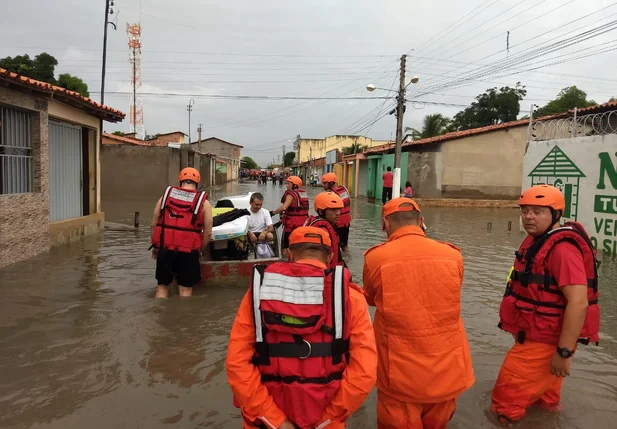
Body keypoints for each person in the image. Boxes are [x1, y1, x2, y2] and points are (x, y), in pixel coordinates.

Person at [226, 226, 377, 429]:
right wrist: (329, 418)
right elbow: (364, 372)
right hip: (325, 422)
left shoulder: (258, 292)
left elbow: (237, 364)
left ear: (290, 254)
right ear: (331, 256)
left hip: (265, 422)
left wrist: (276, 420)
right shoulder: (352, 298)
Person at [491, 184, 600, 423]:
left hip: (545, 343)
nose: (529, 216)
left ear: (556, 215)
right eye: (525, 211)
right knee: (546, 403)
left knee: (504, 405)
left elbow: (579, 302)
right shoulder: (538, 241)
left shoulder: (562, 250)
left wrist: (564, 352)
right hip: (538, 334)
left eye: (538, 211)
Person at [363, 197, 475, 429]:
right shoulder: (453, 255)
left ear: (386, 224)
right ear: (421, 222)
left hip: (399, 373)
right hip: (448, 369)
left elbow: (371, 300)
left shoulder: (376, 258)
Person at [150, 167, 213, 298]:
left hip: (164, 249)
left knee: (162, 288)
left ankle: (158, 316)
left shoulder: (165, 197)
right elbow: (207, 232)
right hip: (189, 252)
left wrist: (156, 246)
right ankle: (182, 316)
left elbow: (153, 224)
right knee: (185, 291)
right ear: (197, 183)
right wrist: (200, 248)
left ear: (180, 181)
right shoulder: (204, 203)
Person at [305, 191, 345, 270]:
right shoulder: (322, 232)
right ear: (321, 211)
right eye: (333, 210)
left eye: (339, 209)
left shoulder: (330, 226)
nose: (338, 213)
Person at [271, 176, 309, 257]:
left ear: (294, 185)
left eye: (288, 184)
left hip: (291, 225)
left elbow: (284, 207)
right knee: (299, 246)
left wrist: (273, 212)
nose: (286, 185)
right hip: (303, 224)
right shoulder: (303, 193)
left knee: (285, 247)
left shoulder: (290, 194)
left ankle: (286, 262)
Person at [321, 173, 352, 252]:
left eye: (325, 183)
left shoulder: (331, 194)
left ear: (331, 183)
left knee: (334, 247)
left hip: (337, 224)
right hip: (346, 223)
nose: (323, 185)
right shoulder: (344, 190)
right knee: (344, 246)